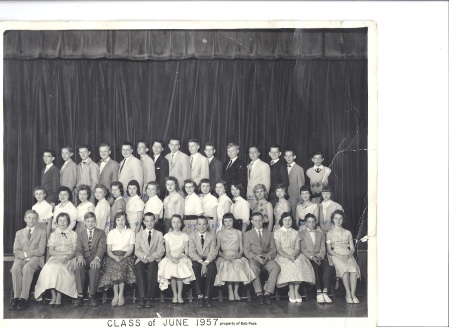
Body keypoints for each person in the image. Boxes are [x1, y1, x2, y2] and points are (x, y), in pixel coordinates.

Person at [34, 212, 78, 306]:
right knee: (48, 268)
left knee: (59, 269)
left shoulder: (73, 234)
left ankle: (59, 295)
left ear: (68, 222)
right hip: (55, 257)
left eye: (65, 221)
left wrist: (67, 257)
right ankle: (53, 295)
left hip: (69, 259)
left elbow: (74, 252)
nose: (62, 223)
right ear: (57, 222)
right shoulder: (53, 234)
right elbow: (51, 252)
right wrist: (66, 252)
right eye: (60, 221)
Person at [274, 212, 315, 303]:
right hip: (283, 254)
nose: (287, 222)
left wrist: (295, 255)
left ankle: (296, 291)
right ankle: (291, 290)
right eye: (285, 220)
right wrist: (287, 256)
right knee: (289, 265)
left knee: (299, 263)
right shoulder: (277, 232)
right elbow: (278, 248)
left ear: (292, 221)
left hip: (294, 254)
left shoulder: (296, 233)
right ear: (282, 221)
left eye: (289, 220)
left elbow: (297, 248)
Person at [10, 210, 47, 310]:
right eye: (29, 218)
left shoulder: (42, 232)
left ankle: (23, 298)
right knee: (15, 268)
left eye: (34, 218)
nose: (31, 220)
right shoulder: (19, 233)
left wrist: (27, 254)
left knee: (27, 267)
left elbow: (40, 251)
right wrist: (25, 256)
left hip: (36, 258)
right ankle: (16, 297)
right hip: (21, 258)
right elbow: (16, 251)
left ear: (37, 220)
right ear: (25, 219)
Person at [98, 212, 136, 307]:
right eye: (118, 220)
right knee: (114, 264)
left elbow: (131, 249)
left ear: (126, 220)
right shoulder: (111, 233)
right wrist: (115, 257)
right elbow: (108, 250)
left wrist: (123, 257)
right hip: (113, 255)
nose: (120, 222)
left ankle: (121, 295)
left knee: (121, 265)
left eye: (123, 219)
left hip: (126, 255)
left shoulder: (130, 232)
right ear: (115, 221)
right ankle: (115, 295)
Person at [214, 213, 256, 300]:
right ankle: (230, 291)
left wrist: (238, 256)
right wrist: (224, 257)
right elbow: (217, 249)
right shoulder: (219, 233)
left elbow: (241, 248)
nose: (228, 223)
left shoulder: (238, 233)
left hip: (236, 255)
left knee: (237, 266)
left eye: (230, 221)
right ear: (223, 222)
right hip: (224, 256)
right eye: (225, 221)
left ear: (233, 221)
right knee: (228, 267)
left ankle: (236, 291)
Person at [243, 212, 280, 305]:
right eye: (255, 220)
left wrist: (267, 257)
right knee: (253, 268)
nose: (258, 222)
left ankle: (268, 293)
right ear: (252, 222)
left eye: (260, 220)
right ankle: (259, 293)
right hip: (254, 258)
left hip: (266, 257)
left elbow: (273, 249)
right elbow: (246, 251)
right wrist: (255, 257)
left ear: (263, 221)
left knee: (276, 267)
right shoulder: (247, 234)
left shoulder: (269, 233)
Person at [157, 215, 195, 303]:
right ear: (171, 224)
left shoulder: (185, 235)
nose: (176, 224)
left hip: (181, 257)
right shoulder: (167, 235)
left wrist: (179, 257)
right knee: (173, 271)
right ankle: (174, 294)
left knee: (179, 270)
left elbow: (186, 252)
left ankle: (179, 295)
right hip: (170, 257)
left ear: (181, 223)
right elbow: (167, 252)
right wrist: (172, 258)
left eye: (178, 222)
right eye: (174, 222)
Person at [326, 210, 361, 304]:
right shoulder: (329, 233)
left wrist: (349, 255)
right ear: (333, 219)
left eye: (340, 218)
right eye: (336, 218)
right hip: (335, 254)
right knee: (344, 269)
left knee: (353, 269)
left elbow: (352, 248)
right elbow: (329, 250)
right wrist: (339, 256)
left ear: (343, 220)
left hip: (347, 254)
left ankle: (353, 294)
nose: (338, 220)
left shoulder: (348, 232)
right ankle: (348, 293)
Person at [74, 212, 107, 307]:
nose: (90, 223)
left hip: (95, 258)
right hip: (84, 258)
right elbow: (79, 249)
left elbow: (102, 248)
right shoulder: (80, 234)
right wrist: (80, 257)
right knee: (79, 267)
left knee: (95, 268)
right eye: (88, 221)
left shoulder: (101, 233)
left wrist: (97, 259)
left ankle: (92, 295)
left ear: (95, 222)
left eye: (92, 221)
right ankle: (80, 295)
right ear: (85, 222)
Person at [134, 213, 165, 309]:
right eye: (147, 221)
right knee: (139, 267)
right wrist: (145, 256)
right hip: (142, 258)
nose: (149, 223)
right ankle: (142, 297)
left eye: (151, 220)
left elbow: (161, 249)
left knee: (152, 268)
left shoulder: (159, 234)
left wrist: (152, 257)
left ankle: (150, 298)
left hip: (154, 259)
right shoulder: (139, 234)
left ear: (155, 221)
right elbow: (137, 250)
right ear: (144, 222)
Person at [300, 213, 332, 304]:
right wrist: (312, 257)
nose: (311, 224)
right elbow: (303, 249)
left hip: (320, 256)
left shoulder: (320, 234)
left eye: (313, 222)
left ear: (316, 223)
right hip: (309, 258)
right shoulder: (301, 234)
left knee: (327, 267)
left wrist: (321, 256)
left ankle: (325, 292)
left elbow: (323, 247)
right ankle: (319, 292)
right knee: (315, 267)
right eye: (309, 222)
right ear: (305, 223)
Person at [188, 216, 218, 308]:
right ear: (196, 225)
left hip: (208, 259)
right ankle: (200, 296)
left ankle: (207, 296)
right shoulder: (192, 236)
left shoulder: (212, 236)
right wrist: (201, 262)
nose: (202, 226)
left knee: (212, 268)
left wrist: (206, 263)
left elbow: (213, 251)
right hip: (197, 259)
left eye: (204, 224)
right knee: (194, 267)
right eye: (199, 224)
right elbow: (191, 251)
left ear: (207, 225)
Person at [284, 149, 305, 220]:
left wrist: (300, 199)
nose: (288, 158)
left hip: (294, 198)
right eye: (286, 156)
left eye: (290, 156)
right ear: (284, 157)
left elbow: (301, 186)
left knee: (294, 218)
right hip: (284, 197)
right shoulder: (283, 167)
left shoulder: (299, 169)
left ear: (294, 157)